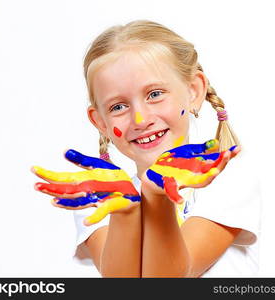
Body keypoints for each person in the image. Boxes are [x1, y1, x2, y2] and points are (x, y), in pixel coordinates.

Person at [32, 20, 261, 277]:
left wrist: (156, 197)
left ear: (193, 91)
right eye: (118, 107)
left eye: (154, 94)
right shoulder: (106, 197)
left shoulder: (226, 178)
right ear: (100, 122)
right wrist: (126, 213)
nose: (140, 119)